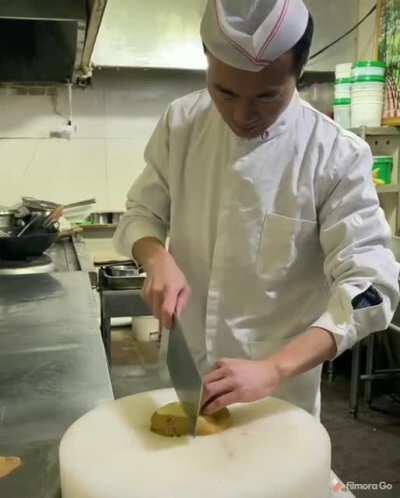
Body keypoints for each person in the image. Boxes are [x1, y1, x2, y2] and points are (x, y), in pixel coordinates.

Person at [114, 0, 400, 417]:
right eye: (224, 92)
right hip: (187, 378)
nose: (241, 114)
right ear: (208, 63)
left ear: (297, 74)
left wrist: (275, 367)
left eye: (267, 96)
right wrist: (155, 257)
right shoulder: (181, 122)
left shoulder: (335, 156)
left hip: (277, 398)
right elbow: (143, 212)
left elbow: (371, 288)